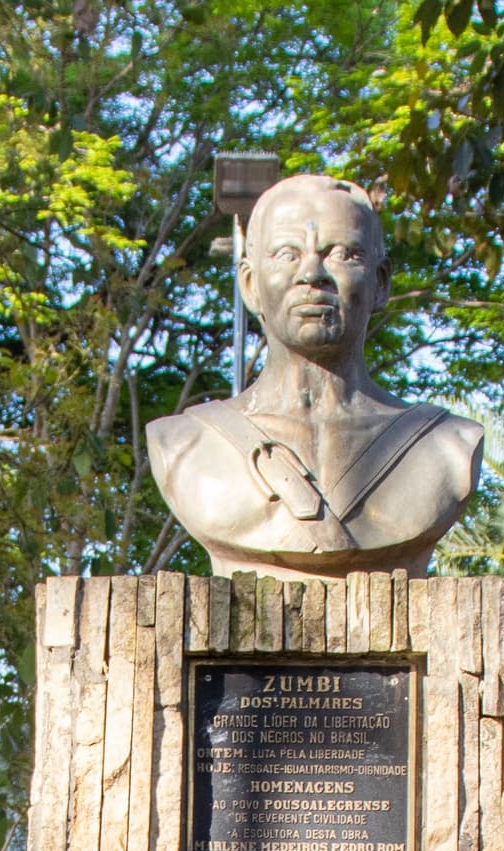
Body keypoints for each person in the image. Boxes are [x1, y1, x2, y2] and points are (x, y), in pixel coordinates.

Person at [147, 174, 483, 581]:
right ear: (250, 285)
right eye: (286, 254)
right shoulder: (184, 446)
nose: (311, 274)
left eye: (342, 254)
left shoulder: (447, 447)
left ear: (380, 283)